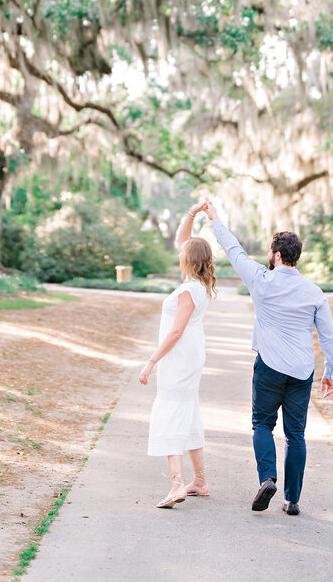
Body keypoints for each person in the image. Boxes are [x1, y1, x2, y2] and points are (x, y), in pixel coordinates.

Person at [204, 199, 333, 517]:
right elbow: (328, 337)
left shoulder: (260, 280)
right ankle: (292, 500)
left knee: (262, 424)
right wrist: (329, 371)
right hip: (302, 370)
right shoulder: (314, 292)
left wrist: (216, 219)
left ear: (277, 255)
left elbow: (233, 250)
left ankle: (267, 478)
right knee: (296, 435)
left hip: (269, 367)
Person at [139, 200, 216, 508]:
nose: (179, 254)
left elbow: (175, 331)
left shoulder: (187, 291)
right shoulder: (197, 284)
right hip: (190, 356)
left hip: (179, 357)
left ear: (189, 261)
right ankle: (200, 481)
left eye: (183, 255)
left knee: (170, 412)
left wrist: (152, 360)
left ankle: (177, 484)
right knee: (189, 412)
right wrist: (192, 213)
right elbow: (184, 241)